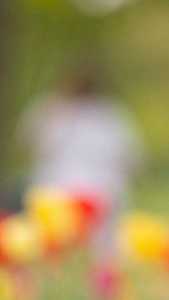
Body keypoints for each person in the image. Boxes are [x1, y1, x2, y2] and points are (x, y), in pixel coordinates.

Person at [19, 63, 144, 248]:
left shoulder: (109, 114)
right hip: (64, 189)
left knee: (96, 241)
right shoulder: (53, 109)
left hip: (94, 190)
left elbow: (129, 156)